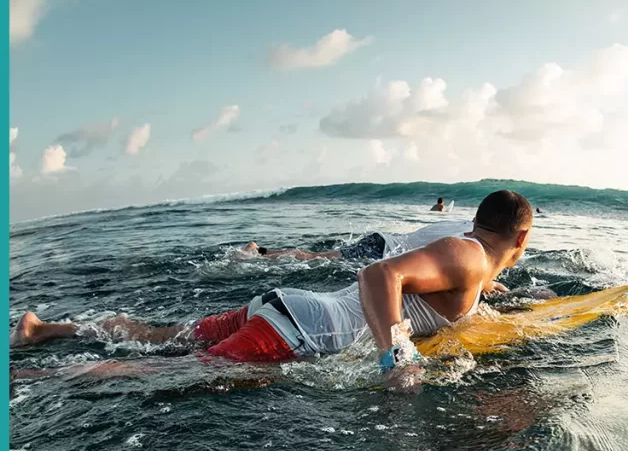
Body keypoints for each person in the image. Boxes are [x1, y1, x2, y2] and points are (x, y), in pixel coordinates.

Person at [11, 191, 535, 386]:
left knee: (157, 336)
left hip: (285, 312)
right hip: (296, 334)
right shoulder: (467, 255)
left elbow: (444, 290)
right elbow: (379, 274)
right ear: (522, 237)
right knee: (166, 371)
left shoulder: (470, 258)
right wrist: (396, 357)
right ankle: (30, 374)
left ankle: (43, 329)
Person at [239, 232, 387, 261]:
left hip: (380, 242)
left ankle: (259, 250)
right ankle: (258, 251)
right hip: (378, 246)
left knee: (315, 255)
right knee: (314, 257)